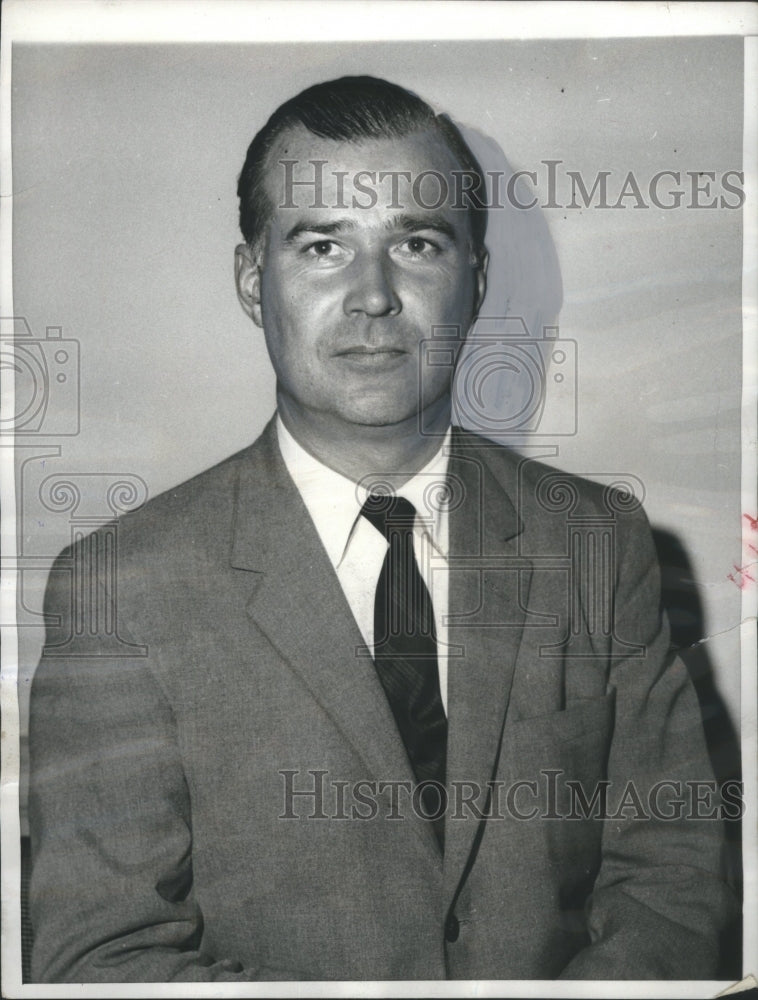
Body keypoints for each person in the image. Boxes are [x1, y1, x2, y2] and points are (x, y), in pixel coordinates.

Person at [28, 75, 736, 982]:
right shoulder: (121, 588)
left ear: (474, 282)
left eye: (417, 243)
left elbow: (670, 878)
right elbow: (104, 956)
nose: (373, 295)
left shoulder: (598, 541)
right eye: (322, 245)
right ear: (253, 281)